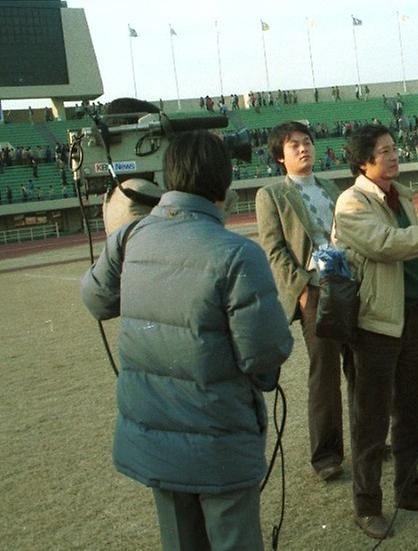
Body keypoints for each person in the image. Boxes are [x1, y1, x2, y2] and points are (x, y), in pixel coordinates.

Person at [80, 130, 293, 551]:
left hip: (155, 434)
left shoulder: (130, 236)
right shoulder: (237, 253)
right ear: (225, 182)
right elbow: (265, 354)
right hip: (220, 438)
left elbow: (95, 300)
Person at [333, 124, 418, 540]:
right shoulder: (350, 202)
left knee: (413, 411)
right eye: (384, 151)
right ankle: (367, 506)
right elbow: (387, 243)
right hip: (374, 323)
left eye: (394, 148)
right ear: (363, 161)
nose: (394, 156)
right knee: (371, 419)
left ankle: (410, 491)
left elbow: (410, 244)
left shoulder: (400, 194)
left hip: (410, 318)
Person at [255, 121, 346, 482]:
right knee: (324, 374)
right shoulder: (272, 195)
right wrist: (303, 289)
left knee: (361, 367)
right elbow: (275, 249)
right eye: (294, 146)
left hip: (346, 282)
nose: (304, 149)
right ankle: (326, 456)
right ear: (281, 156)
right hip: (315, 289)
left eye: (307, 142)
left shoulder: (331, 188)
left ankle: (372, 441)